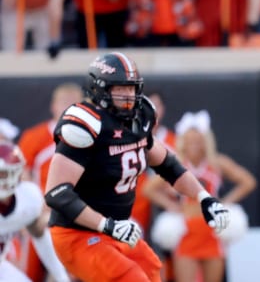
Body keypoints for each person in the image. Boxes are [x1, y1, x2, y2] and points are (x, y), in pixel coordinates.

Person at [44, 52, 230, 282]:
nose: (128, 96)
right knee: (130, 277)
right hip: (78, 234)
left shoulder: (138, 120)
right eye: (120, 89)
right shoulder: (86, 125)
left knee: (152, 270)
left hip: (115, 230)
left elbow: (168, 165)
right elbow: (56, 193)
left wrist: (204, 197)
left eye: (131, 89)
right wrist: (106, 225)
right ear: (99, 89)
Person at [144, 110, 257, 282]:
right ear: (183, 142)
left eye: (198, 141)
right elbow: (148, 189)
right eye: (190, 141)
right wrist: (171, 206)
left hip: (212, 232)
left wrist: (225, 203)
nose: (194, 145)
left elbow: (248, 181)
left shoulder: (217, 163)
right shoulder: (177, 164)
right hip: (186, 231)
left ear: (206, 142)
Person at [17, 82, 83, 282]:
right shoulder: (35, 136)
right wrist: (38, 202)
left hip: (75, 210)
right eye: (64, 103)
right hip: (42, 209)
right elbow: (21, 173)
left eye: (74, 104)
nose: (68, 108)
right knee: (27, 268)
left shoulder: (91, 138)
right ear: (53, 106)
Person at [0, 141, 70, 282]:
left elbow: (38, 232)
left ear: (16, 173)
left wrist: (61, 277)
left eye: (2, 174)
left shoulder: (28, 199)